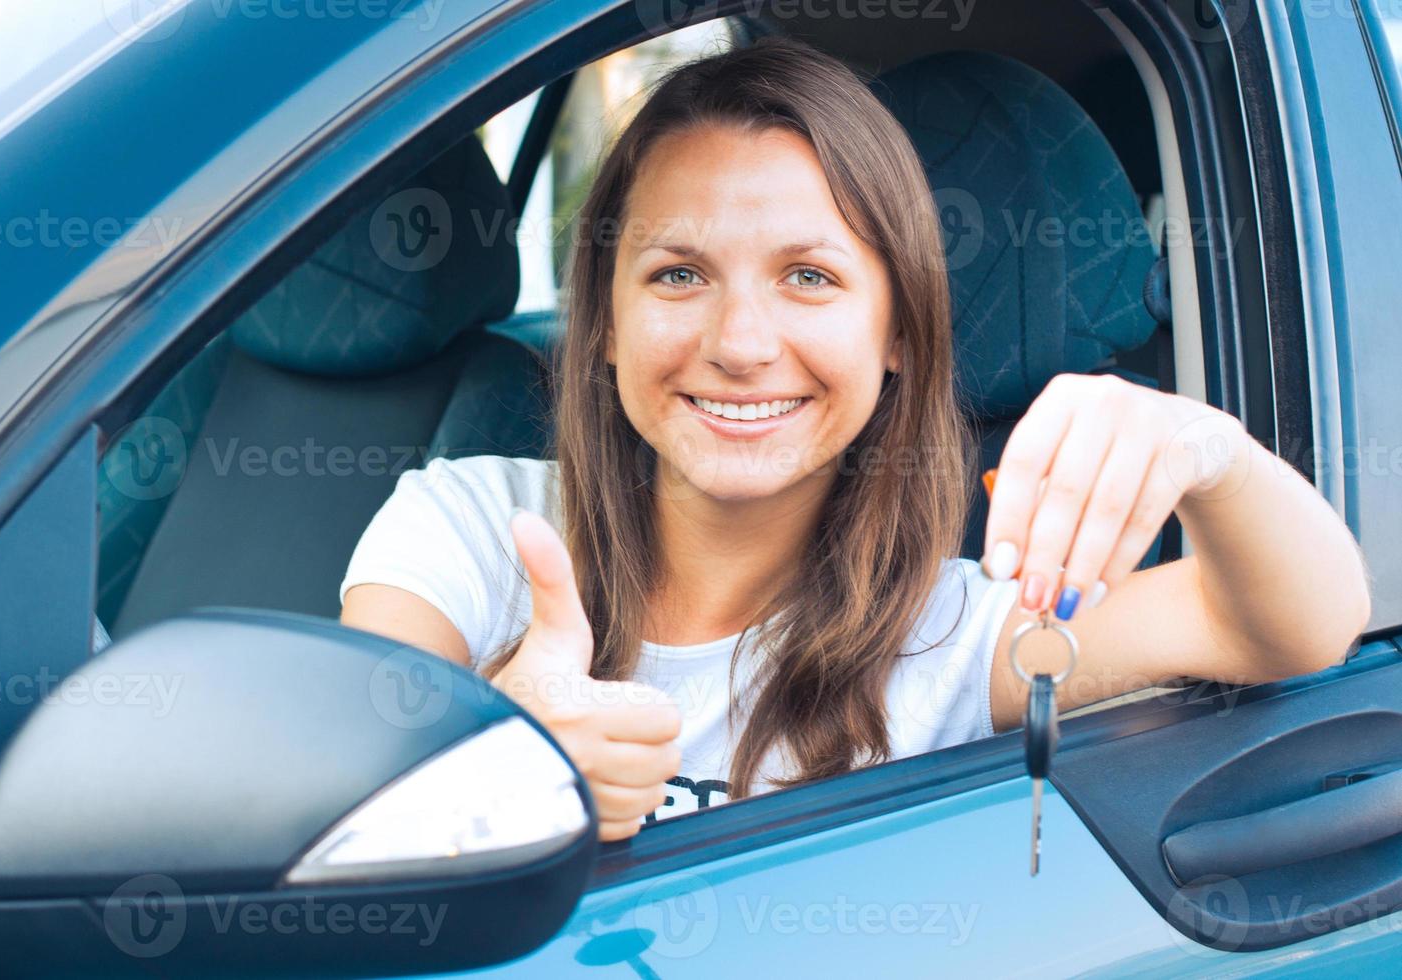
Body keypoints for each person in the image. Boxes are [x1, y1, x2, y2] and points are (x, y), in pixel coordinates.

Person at [338, 36, 1371, 841]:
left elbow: (1296, 625)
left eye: (810, 276)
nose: (740, 343)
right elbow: (330, 779)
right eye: (678, 273)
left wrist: (1209, 452)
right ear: (603, 323)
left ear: (896, 338)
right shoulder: (473, 526)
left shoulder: (955, 638)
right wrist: (474, 755)